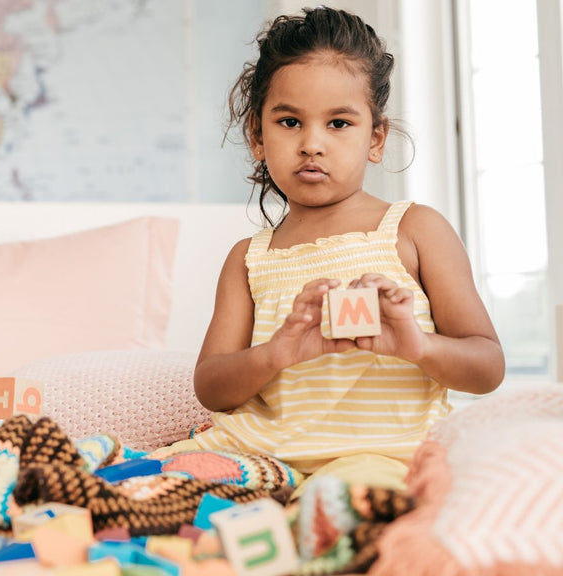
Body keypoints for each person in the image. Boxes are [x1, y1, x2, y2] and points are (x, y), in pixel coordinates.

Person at [174, 7, 504, 492]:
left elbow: (487, 366)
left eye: (339, 124)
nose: (311, 144)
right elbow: (212, 388)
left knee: (347, 502)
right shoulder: (248, 257)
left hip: (377, 457)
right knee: (146, 479)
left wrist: (418, 345)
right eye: (289, 121)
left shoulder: (414, 230)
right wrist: (275, 353)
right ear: (256, 135)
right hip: (259, 453)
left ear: (376, 138)